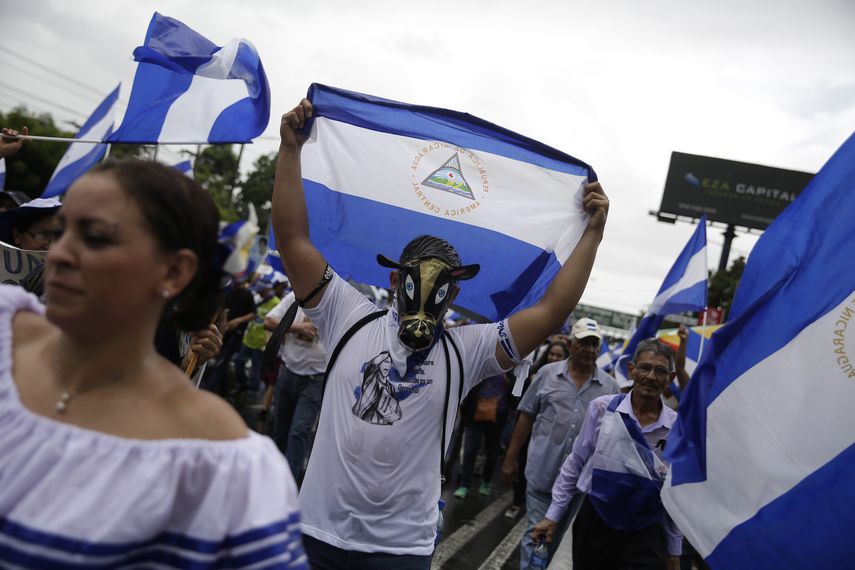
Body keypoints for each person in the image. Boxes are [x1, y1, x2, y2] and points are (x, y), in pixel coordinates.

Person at [272, 99, 609, 569]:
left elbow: (551, 312)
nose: (428, 298)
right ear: (395, 281)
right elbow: (293, 241)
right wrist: (290, 151)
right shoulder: (349, 317)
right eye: (414, 281)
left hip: (401, 549)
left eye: (443, 287)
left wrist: (591, 233)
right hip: (319, 532)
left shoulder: (464, 350)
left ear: (454, 293)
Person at [0, 160, 306, 568]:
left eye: (95, 238)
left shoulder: (220, 461)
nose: (59, 255)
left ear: (175, 270)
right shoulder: (6, 332)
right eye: (59, 233)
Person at [531, 339, 683, 570]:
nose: (651, 376)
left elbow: (676, 492)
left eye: (660, 371)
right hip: (596, 521)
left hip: (646, 529)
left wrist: (674, 549)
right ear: (631, 370)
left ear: (670, 379)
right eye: (645, 368)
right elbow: (575, 462)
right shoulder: (603, 409)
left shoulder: (676, 428)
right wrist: (552, 516)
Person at [502, 317, 620, 568]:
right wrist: (510, 458)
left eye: (594, 344)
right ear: (570, 343)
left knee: (556, 538)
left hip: (577, 485)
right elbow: (525, 416)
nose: (589, 349)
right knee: (537, 532)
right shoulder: (547, 374)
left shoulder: (610, 388)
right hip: (542, 472)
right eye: (584, 343)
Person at [503, 340, 570, 519]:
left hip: (549, 436)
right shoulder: (536, 374)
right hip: (528, 430)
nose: (554, 358)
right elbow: (519, 399)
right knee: (524, 465)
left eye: (559, 355)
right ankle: (517, 502)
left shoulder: (568, 380)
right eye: (552, 354)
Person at [265, 290, 327, 484]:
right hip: (288, 372)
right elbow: (269, 321)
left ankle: (288, 486)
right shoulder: (296, 297)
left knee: (299, 431)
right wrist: (298, 327)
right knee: (280, 429)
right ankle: (272, 476)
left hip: (315, 379)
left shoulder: (337, 305)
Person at [453, 372, 511, 499]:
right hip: (475, 416)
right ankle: (464, 485)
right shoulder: (481, 367)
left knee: (492, 453)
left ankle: (486, 482)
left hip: (497, 419)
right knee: (469, 451)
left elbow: (515, 394)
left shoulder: (510, 372)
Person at [233, 276, 286, 393]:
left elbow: (278, 324)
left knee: (256, 369)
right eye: (259, 290)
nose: (259, 293)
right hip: (248, 338)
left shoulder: (276, 303)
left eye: (261, 290)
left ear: (267, 289)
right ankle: (242, 384)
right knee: (238, 361)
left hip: (261, 342)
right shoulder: (257, 299)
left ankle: (252, 391)